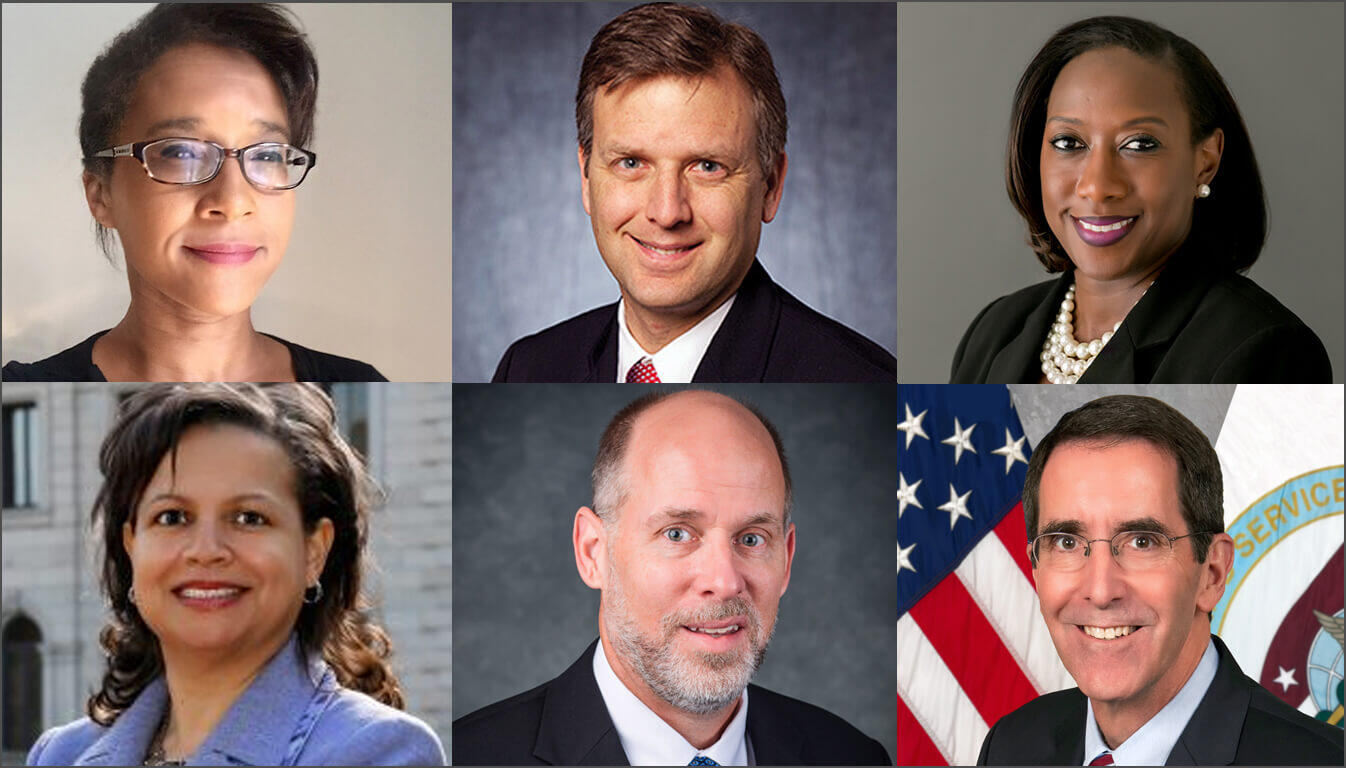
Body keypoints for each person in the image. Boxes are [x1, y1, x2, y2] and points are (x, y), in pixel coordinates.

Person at [453, 390, 890, 765]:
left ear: (787, 560)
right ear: (593, 552)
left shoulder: (853, 756)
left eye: (752, 539)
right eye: (677, 533)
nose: (724, 580)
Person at [26, 384, 444, 766]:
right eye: (172, 517)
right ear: (132, 547)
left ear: (314, 551)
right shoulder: (59, 755)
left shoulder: (379, 749)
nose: (206, 550)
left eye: (249, 517)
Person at [490, 3, 896, 384]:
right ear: (586, 179)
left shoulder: (864, 381)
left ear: (770, 185)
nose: (667, 212)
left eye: (707, 166)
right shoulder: (527, 368)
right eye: (631, 163)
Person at [2, 4, 385, 382]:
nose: (234, 201)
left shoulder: (359, 381)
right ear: (101, 194)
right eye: (181, 152)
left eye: (267, 154)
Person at [950, 16, 1330, 384]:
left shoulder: (1266, 352)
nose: (1097, 187)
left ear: (1205, 161)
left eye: (1139, 144)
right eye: (1069, 143)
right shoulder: (993, 332)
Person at [978, 395, 1343, 765]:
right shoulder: (1012, 745)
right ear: (1036, 570)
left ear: (1212, 573)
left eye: (1142, 542)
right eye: (1067, 542)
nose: (1101, 591)